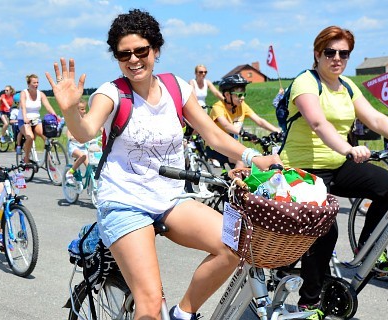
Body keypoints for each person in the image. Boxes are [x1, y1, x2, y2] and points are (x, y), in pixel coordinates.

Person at [47, 9, 280, 320]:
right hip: (124, 201)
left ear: (155, 49)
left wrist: (252, 157)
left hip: (169, 198)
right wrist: (69, 111)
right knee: (149, 303)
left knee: (235, 245)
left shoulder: (176, 88)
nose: (133, 60)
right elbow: (85, 130)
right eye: (124, 54)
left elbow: (211, 134)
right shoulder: (111, 93)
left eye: (141, 51)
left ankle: (183, 314)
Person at [277, 26, 388, 318]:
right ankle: (308, 302)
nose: (337, 58)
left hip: (337, 164)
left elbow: (374, 117)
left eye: (343, 53)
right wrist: (348, 149)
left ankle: (368, 251)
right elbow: (319, 124)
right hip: (300, 168)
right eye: (330, 52)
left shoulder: (347, 85)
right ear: (317, 54)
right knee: (326, 229)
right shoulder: (305, 82)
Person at [207, 74, 282, 169]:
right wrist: (244, 133)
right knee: (242, 160)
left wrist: (278, 131)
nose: (242, 98)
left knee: (255, 158)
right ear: (227, 95)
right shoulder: (218, 107)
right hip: (216, 148)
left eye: (244, 94)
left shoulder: (242, 106)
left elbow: (259, 121)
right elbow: (226, 125)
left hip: (232, 147)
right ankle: (238, 183)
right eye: (239, 95)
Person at [18, 74, 58, 164]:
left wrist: (55, 116)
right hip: (24, 120)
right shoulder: (24, 93)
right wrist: (25, 118)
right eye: (34, 83)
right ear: (28, 84)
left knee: (46, 136)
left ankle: (48, 158)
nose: (36, 84)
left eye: (37, 82)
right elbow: (23, 107)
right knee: (30, 137)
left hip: (36, 119)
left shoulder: (41, 94)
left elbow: (48, 106)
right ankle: (26, 158)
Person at [64, 99, 99, 185]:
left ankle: (92, 183)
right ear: (77, 110)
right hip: (74, 146)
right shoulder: (72, 120)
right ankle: (70, 172)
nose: (84, 111)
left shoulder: (87, 118)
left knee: (90, 166)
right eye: (82, 109)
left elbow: (98, 126)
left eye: (85, 109)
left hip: (84, 145)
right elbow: (68, 133)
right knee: (82, 156)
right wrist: (72, 137)